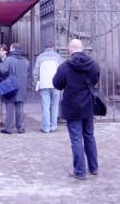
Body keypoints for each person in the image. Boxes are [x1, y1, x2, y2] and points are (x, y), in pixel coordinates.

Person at [53, 39, 99, 180]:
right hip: (88, 105)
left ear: (70, 50)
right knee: (89, 136)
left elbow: (57, 84)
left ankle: (79, 171)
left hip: (72, 107)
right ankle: (94, 168)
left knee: (76, 139)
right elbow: (95, 79)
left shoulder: (65, 66)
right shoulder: (93, 64)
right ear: (82, 48)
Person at [0, 43, 29, 134]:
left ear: (13, 49)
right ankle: (20, 127)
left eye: (11, 48)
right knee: (20, 108)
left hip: (11, 87)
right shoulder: (25, 60)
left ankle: (8, 128)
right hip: (22, 87)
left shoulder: (9, 59)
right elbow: (28, 73)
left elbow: (2, 70)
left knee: (10, 108)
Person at [33, 42, 63, 133]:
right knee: (54, 105)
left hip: (44, 84)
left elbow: (35, 73)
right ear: (53, 47)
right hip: (56, 84)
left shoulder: (40, 57)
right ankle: (53, 126)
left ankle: (46, 127)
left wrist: (36, 84)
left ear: (45, 48)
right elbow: (62, 71)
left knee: (45, 106)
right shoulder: (58, 57)